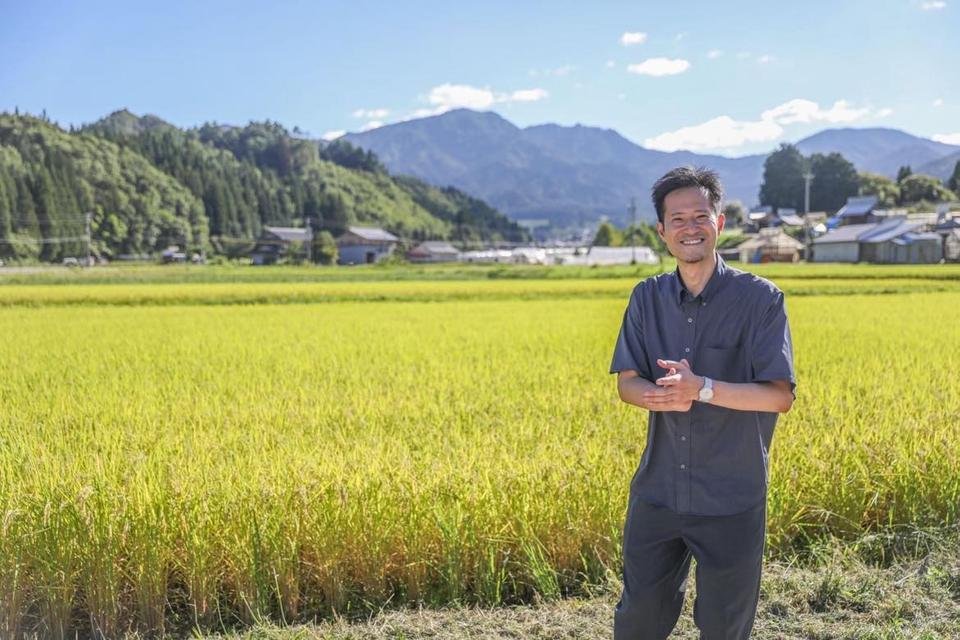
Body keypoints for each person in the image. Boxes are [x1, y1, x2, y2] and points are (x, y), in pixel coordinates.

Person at [610, 166, 796, 639]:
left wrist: (703, 388)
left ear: (719, 222)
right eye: (677, 219)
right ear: (662, 230)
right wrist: (660, 396)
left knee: (723, 627)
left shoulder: (760, 300)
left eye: (700, 216)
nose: (689, 227)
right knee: (637, 620)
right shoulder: (646, 298)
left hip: (732, 497)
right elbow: (627, 382)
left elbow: (779, 397)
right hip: (658, 492)